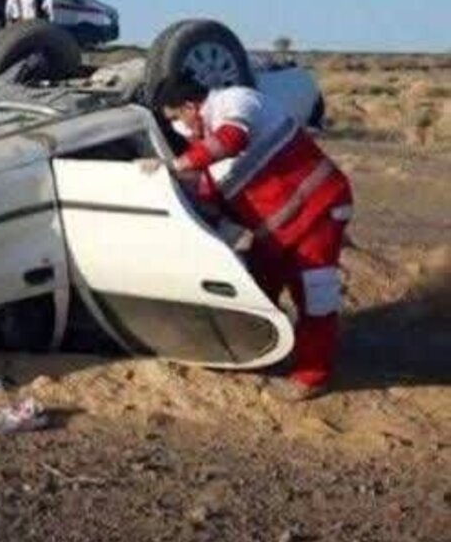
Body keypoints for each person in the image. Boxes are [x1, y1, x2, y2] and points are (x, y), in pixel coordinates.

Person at [145, 75, 353, 401]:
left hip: (318, 210)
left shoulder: (235, 102)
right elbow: (212, 195)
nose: (177, 127)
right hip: (278, 230)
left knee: (315, 295)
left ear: (190, 106)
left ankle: (312, 375)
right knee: (257, 286)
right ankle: (262, 350)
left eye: (175, 118)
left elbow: (231, 140)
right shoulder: (206, 140)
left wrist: (174, 165)